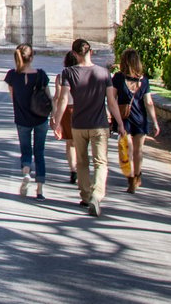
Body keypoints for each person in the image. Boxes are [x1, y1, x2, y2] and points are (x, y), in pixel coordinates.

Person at [52, 38, 127, 217]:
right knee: (101, 162)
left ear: (75, 54)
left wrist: (57, 121)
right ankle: (97, 195)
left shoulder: (69, 72)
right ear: (90, 52)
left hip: (78, 124)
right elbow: (111, 102)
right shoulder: (103, 73)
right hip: (99, 124)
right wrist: (121, 124)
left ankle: (85, 196)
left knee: (82, 162)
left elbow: (62, 99)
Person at [4, 43, 50, 198]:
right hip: (40, 119)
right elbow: (48, 98)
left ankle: (26, 173)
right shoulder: (41, 75)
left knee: (26, 150)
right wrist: (55, 116)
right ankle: (40, 190)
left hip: (22, 119)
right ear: (32, 57)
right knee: (40, 152)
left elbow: (13, 97)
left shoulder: (12, 75)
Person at [113, 48, 161, 193]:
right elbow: (149, 102)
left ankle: (130, 179)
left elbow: (112, 99)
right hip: (140, 119)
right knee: (138, 151)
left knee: (126, 150)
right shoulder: (144, 80)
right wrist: (155, 122)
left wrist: (112, 116)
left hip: (124, 119)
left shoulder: (118, 78)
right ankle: (137, 177)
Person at [57, 50, 78, 185]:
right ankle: (80, 168)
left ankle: (73, 169)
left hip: (67, 110)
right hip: (82, 110)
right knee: (81, 142)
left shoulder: (61, 77)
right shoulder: (84, 75)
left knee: (70, 143)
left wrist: (55, 117)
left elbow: (58, 98)